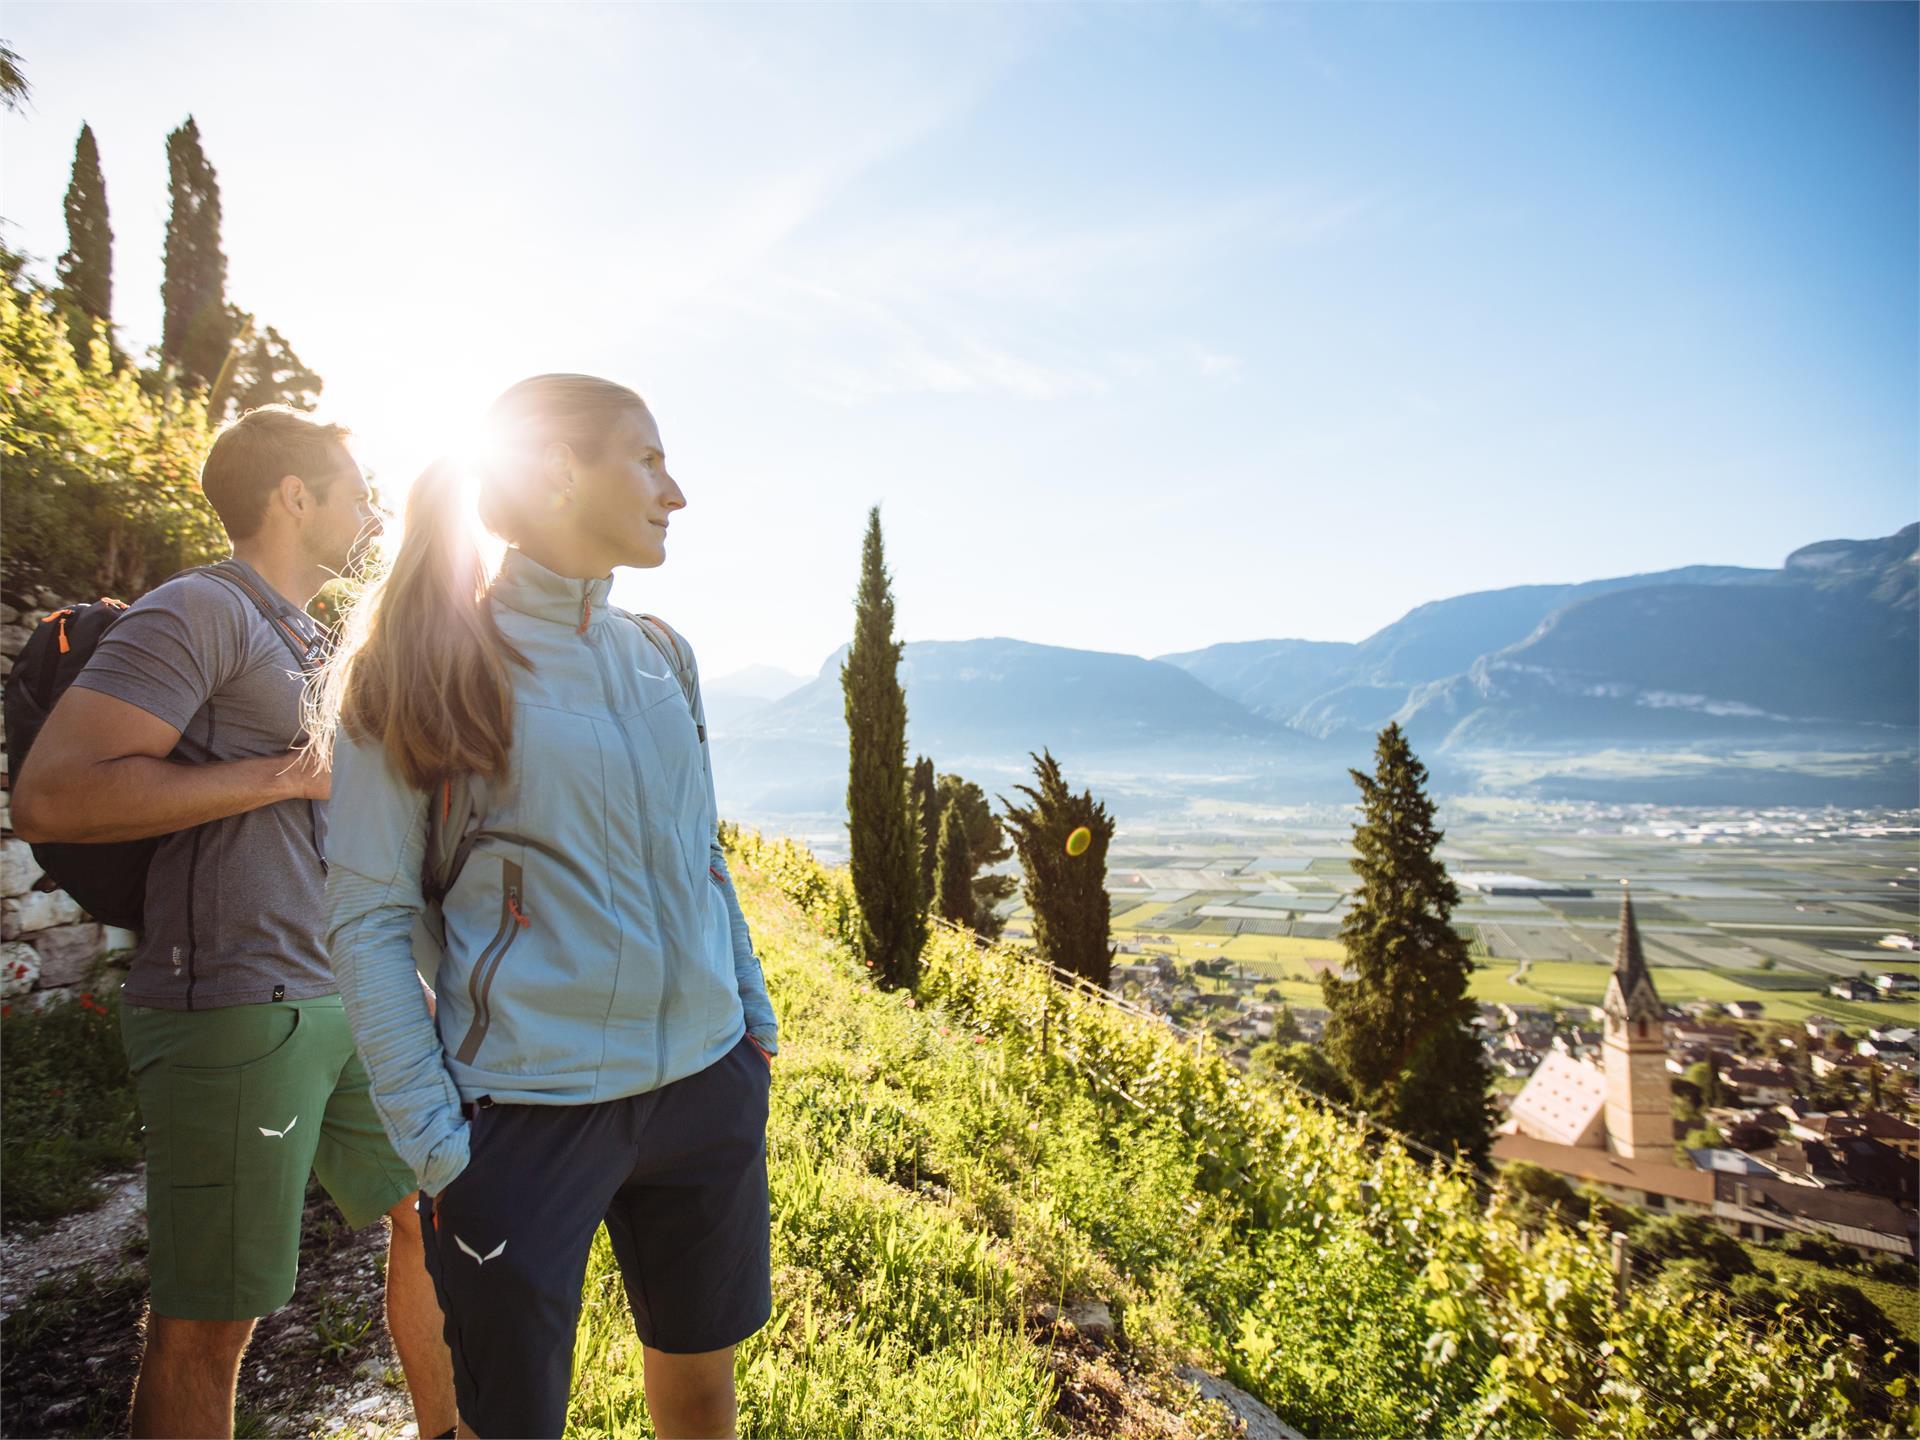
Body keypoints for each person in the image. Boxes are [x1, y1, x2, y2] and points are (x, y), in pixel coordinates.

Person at [312, 373, 779, 1440]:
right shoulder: (425, 664)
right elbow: (371, 917)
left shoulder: (663, 655)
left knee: (704, 1400)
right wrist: (435, 1142)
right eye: (648, 458)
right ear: (561, 470)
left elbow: (701, 854)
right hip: (526, 1117)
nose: (677, 491)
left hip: (704, 1091)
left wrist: (748, 1024)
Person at [11, 406, 457, 1440]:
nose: (370, 508)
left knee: (439, 1217)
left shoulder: (306, 631)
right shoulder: (197, 612)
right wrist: (290, 774)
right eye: (352, 488)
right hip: (234, 1000)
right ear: (292, 497)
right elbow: (53, 796)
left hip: (344, 990)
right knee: (212, 1320)